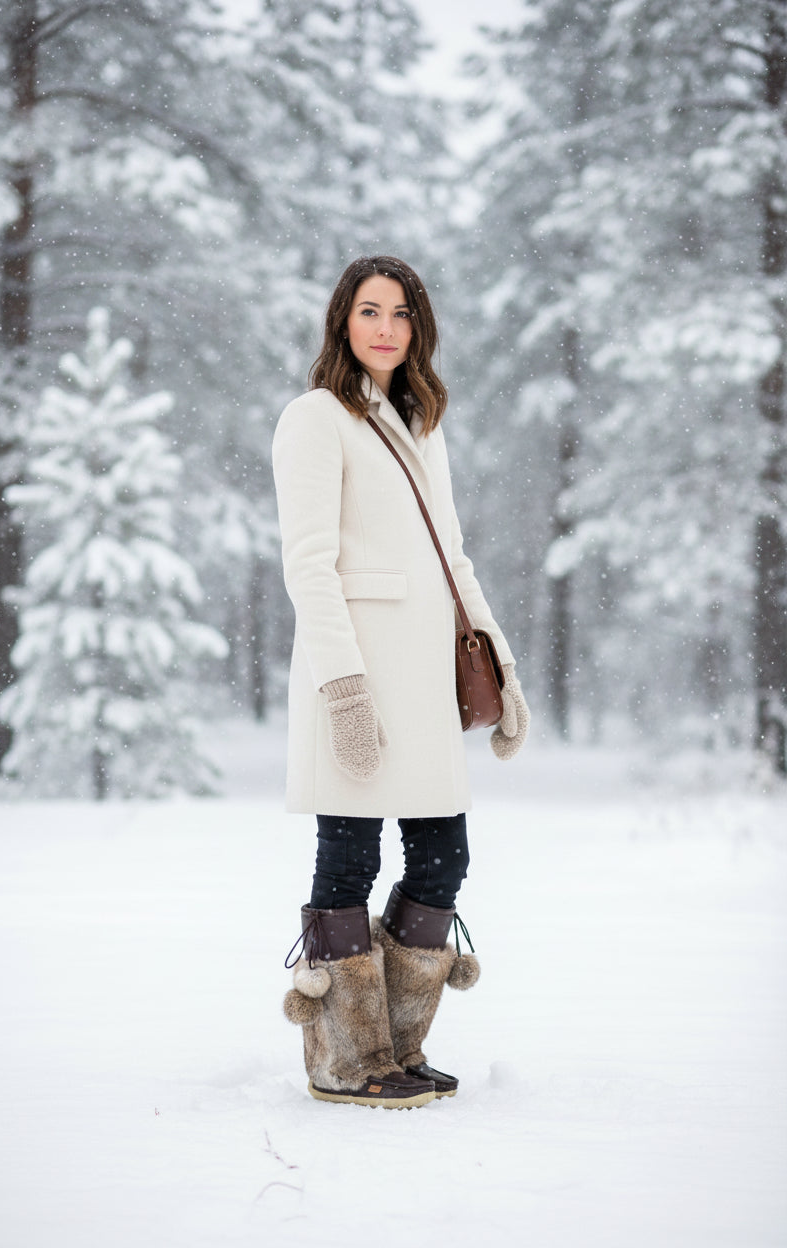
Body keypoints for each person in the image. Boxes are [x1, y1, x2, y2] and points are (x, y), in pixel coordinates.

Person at [273, 255, 529, 1109]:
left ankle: (394, 1049)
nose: (385, 327)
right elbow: (309, 566)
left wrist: (501, 664)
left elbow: (452, 559)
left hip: (425, 678)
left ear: (418, 327)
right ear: (342, 322)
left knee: (444, 855)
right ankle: (344, 1058)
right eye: (368, 310)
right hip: (357, 673)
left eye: (401, 313)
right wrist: (343, 689)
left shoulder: (422, 420)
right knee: (348, 857)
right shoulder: (316, 419)